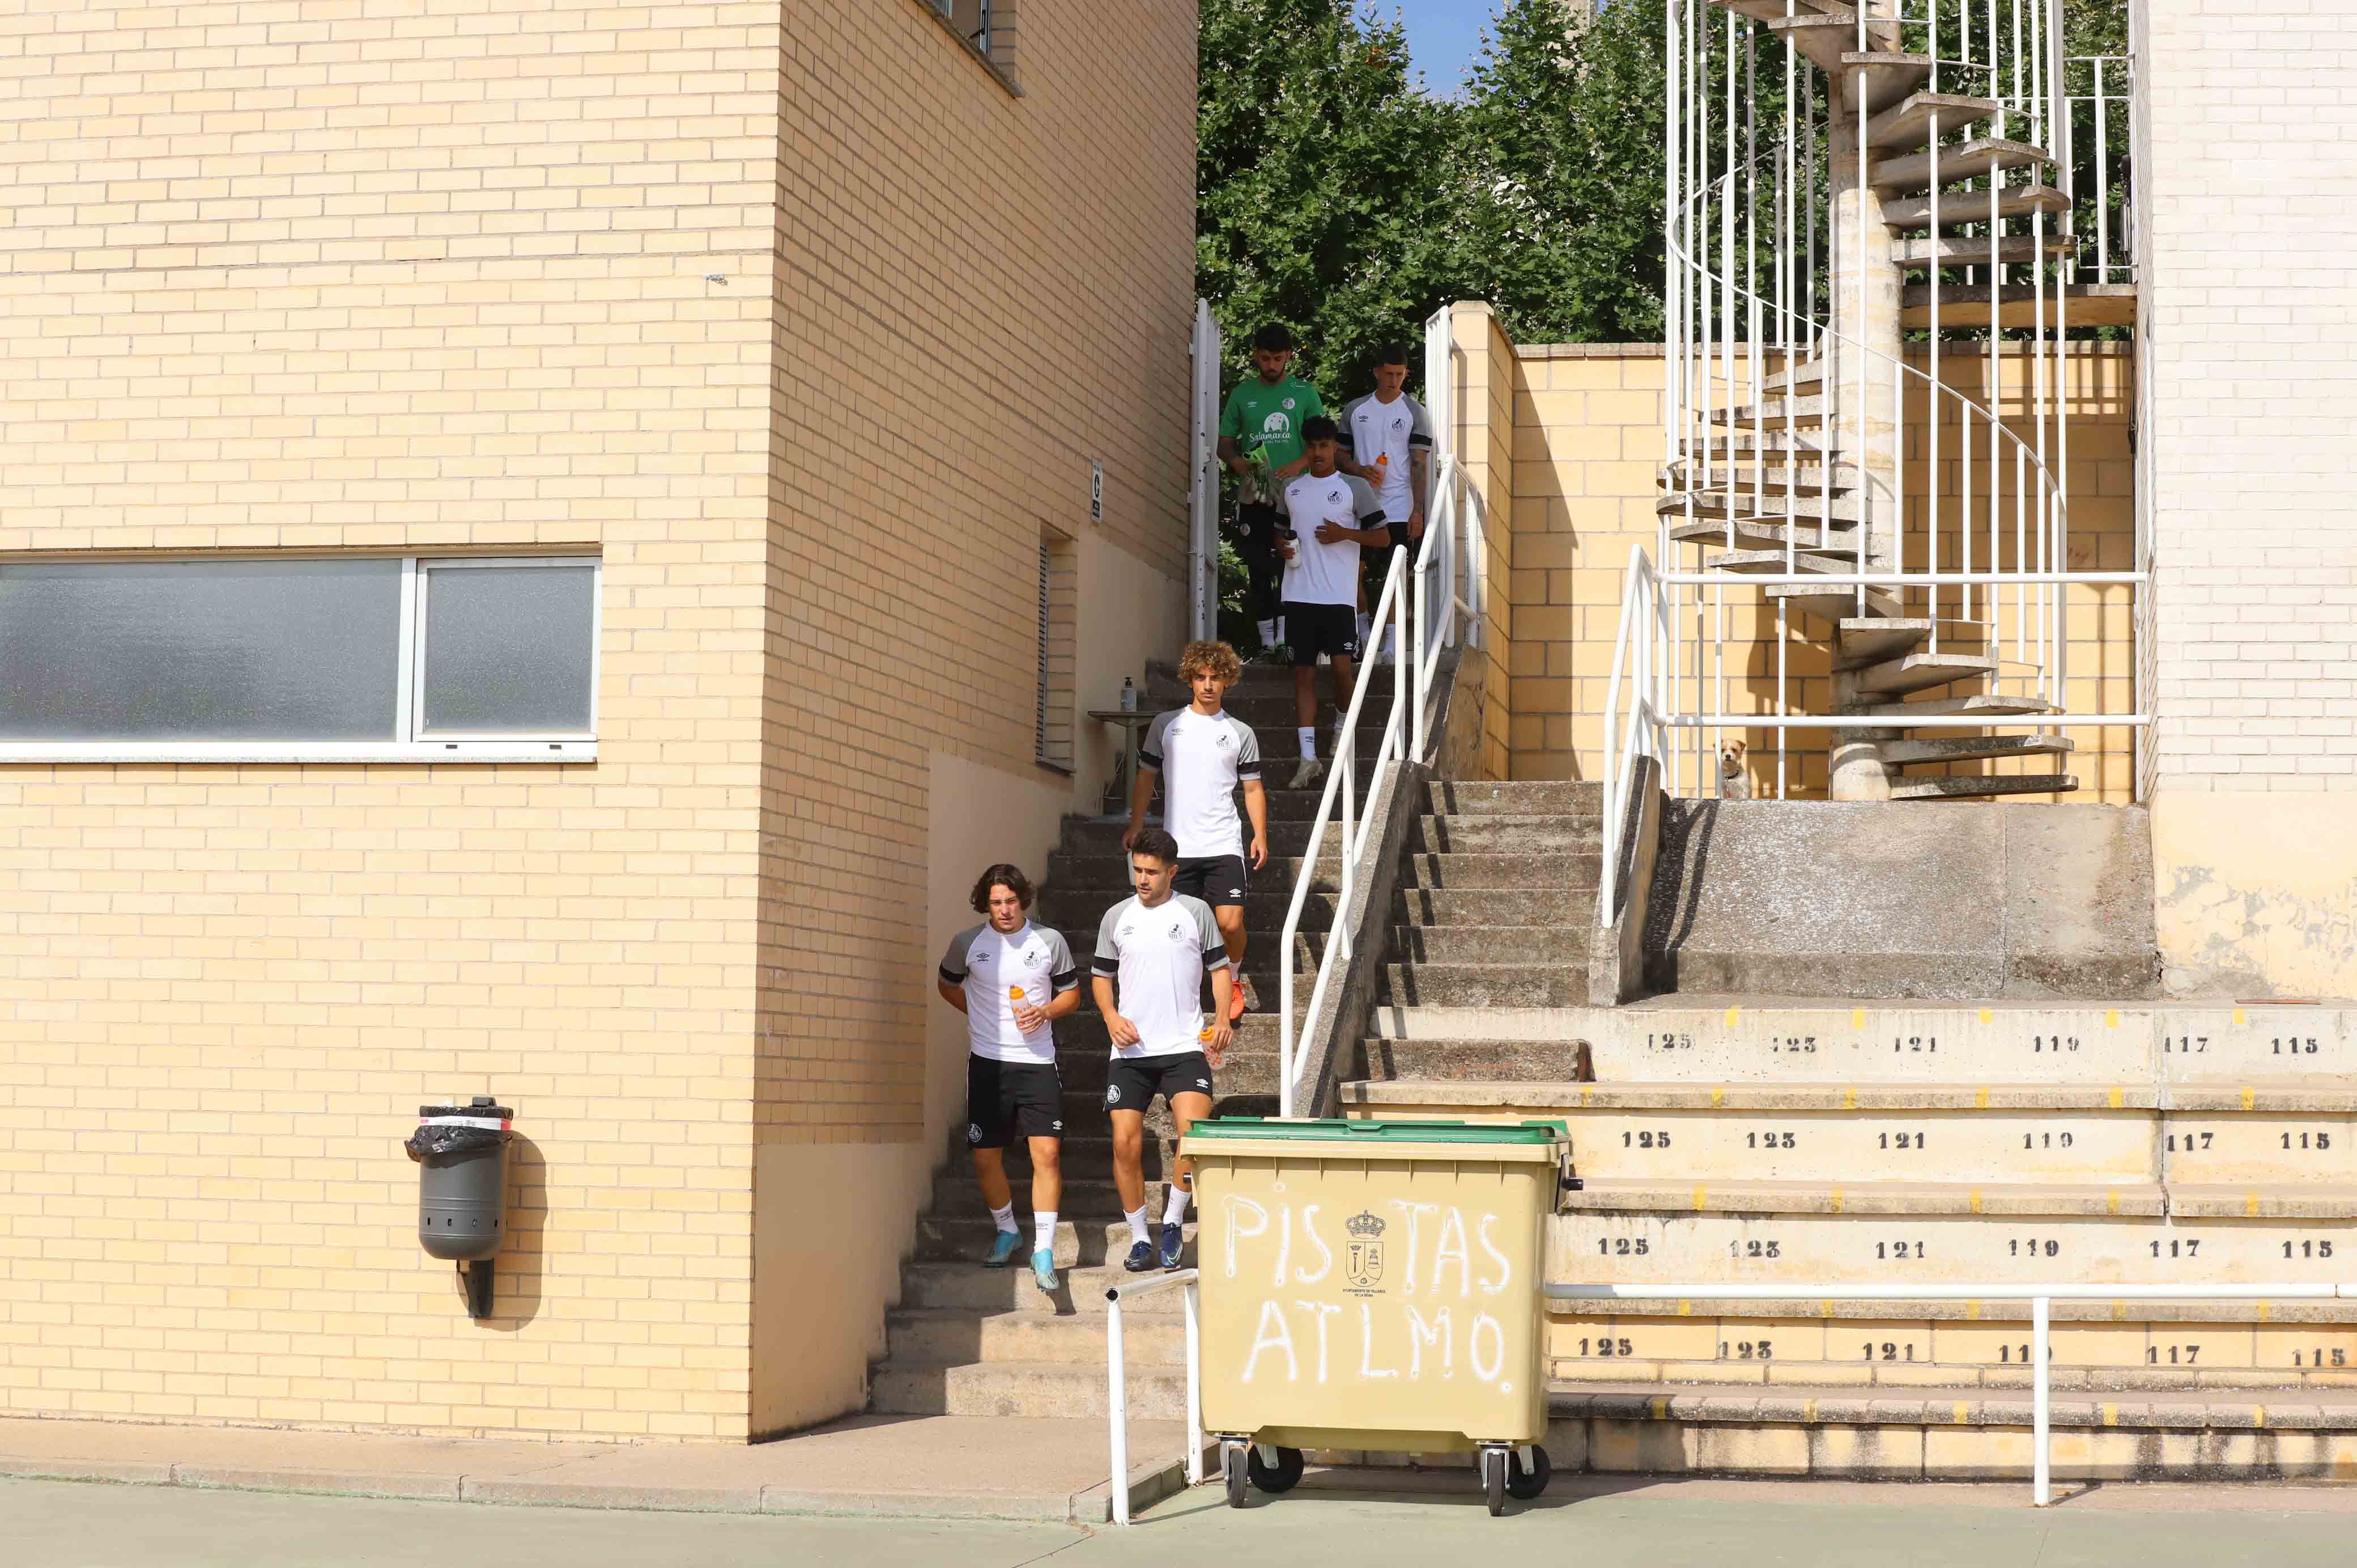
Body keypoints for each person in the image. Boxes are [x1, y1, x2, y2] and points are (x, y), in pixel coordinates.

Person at [937, 865, 1083, 1294]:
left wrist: (1046, 1012)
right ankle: (1007, 1229)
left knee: (1047, 1156)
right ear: (987, 904)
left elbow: (1072, 995)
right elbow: (946, 985)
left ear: (1024, 900)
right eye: (996, 902)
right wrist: (979, 1015)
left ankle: (1044, 1250)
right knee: (985, 1158)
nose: (1004, 910)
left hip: (1038, 1063)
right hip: (988, 1063)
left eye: (1011, 901)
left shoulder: (1049, 941)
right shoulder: (967, 943)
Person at [1092, 828, 1233, 1272]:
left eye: (1152, 871)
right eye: (1137, 870)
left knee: (1193, 1135)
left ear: (1172, 871)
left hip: (1183, 1047)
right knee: (1123, 1144)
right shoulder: (1116, 916)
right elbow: (1100, 977)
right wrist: (1112, 1018)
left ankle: (1172, 1220)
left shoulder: (1196, 912)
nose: (1143, 879)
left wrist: (1224, 1018)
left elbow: (1219, 970)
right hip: (1130, 1053)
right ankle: (1138, 1236)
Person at [1124, 640, 1268, 1020]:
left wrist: (1260, 834)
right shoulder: (1165, 725)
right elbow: (1145, 777)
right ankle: (1184, 995)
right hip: (1177, 848)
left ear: (1227, 682)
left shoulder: (1240, 732)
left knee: (1229, 922)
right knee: (1179, 929)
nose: (1208, 685)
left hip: (1223, 843)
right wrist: (1136, 825)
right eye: (1201, 677)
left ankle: (1234, 979)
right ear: (1190, 679)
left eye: (1215, 678)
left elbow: (1253, 787)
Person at [1276, 416, 1392, 790]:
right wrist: (1282, 546)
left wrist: (1345, 534)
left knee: (1343, 671)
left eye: (1325, 447)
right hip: (1298, 595)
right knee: (1304, 675)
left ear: (1335, 449)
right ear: (1305, 449)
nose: (1318, 453)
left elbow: (1385, 537)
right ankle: (1308, 759)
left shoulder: (1353, 486)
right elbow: (1280, 532)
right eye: (1311, 447)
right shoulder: (1291, 488)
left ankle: (1342, 728)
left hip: (1339, 597)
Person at [1216, 325, 1326, 657]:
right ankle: (1266, 643)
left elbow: (1321, 442)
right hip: (1254, 494)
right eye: (1265, 359)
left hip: (1295, 494)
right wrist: (1235, 461)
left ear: (1289, 356)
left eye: (1278, 359)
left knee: (1292, 565)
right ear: (1256, 357)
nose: (1271, 366)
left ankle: (1292, 641)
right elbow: (1224, 445)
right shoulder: (1242, 394)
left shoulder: (1304, 393)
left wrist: (1298, 464)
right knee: (1258, 567)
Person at [1339, 343, 1433, 661]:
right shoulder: (1356, 409)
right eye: (1389, 374)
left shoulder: (1414, 411)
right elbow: (1338, 455)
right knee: (1354, 572)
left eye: (1400, 374)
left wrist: (1417, 511)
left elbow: (1419, 463)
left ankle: (1392, 647)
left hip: (1397, 505)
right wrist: (1358, 469)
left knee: (1395, 575)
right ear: (1376, 372)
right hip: (1359, 506)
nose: (1395, 381)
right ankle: (1365, 637)